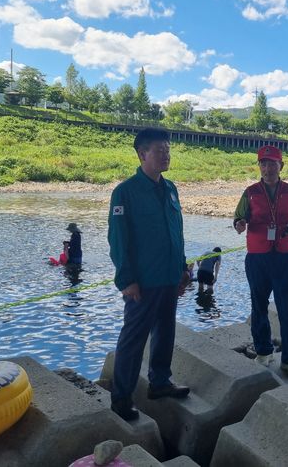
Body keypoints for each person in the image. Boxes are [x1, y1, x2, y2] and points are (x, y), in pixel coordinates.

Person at [107, 128, 191, 421]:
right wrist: (126, 280)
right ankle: (121, 399)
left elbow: (175, 232)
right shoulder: (125, 192)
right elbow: (118, 241)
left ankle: (160, 382)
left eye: (168, 149)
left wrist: (182, 267)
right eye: (159, 149)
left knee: (166, 331)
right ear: (142, 154)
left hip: (169, 276)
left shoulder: (170, 189)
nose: (166, 154)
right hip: (142, 281)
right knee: (134, 338)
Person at [233, 145, 288, 378]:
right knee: (258, 304)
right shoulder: (250, 192)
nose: (267, 168)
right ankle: (264, 352)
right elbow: (238, 217)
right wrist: (239, 224)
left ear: (280, 166)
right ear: (259, 167)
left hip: (284, 255)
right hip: (257, 256)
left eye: (272, 163)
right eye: (263, 163)